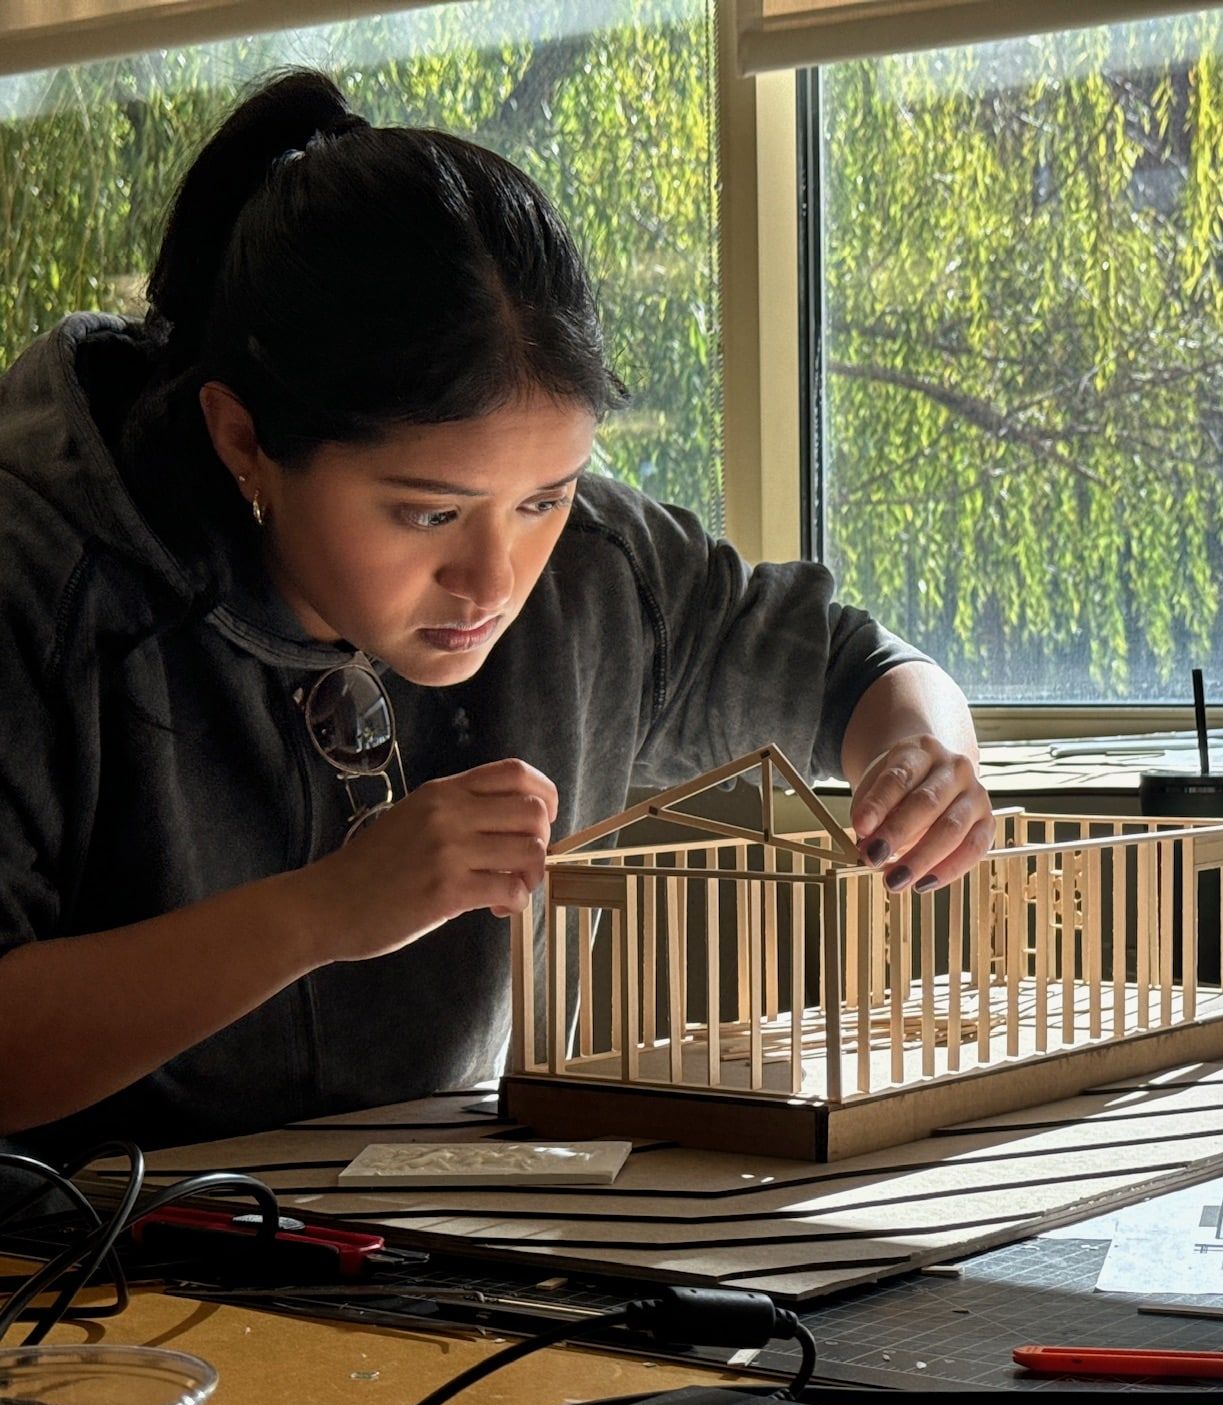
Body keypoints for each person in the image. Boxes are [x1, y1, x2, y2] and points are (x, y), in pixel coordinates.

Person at [0, 70, 993, 1157]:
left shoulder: (599, 562)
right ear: (244, 440)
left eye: (542, 499)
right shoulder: (38, 578)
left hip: (438, 1221)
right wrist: (324, 910)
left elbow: (855, 668)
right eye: (428, 513)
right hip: (85, 1248)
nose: (494, 581)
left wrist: (924, 752)